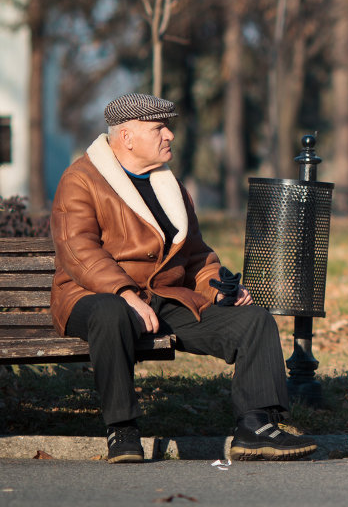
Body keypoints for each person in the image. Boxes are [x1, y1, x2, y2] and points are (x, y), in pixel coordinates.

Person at [51, 94, 316, 464]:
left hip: (162, 296)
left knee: (253, 321)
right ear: (127, 137)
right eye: (159, 127)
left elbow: (196, 256)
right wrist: (126, 293)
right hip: (92, 294)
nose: (170, 135)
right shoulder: (81, 179)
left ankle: (255, 428)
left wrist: (220, 288)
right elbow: (78, 250)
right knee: (111, 312)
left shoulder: (171, 187)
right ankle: (122, 430)